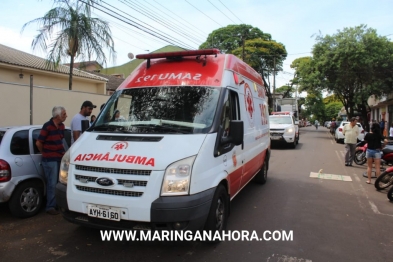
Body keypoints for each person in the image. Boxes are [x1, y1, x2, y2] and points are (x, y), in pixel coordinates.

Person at [36, 106, 67, 215]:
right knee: (52, 183)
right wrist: (44, 153)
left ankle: (56, 204)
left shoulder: (62, 126)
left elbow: (61, 141)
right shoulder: (47, 126)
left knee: (59, 182)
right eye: (64, 114)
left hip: (59, 158)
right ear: (57, 116)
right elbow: (39, 142)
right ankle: (50, 206)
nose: (66, 116)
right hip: (50, 159)